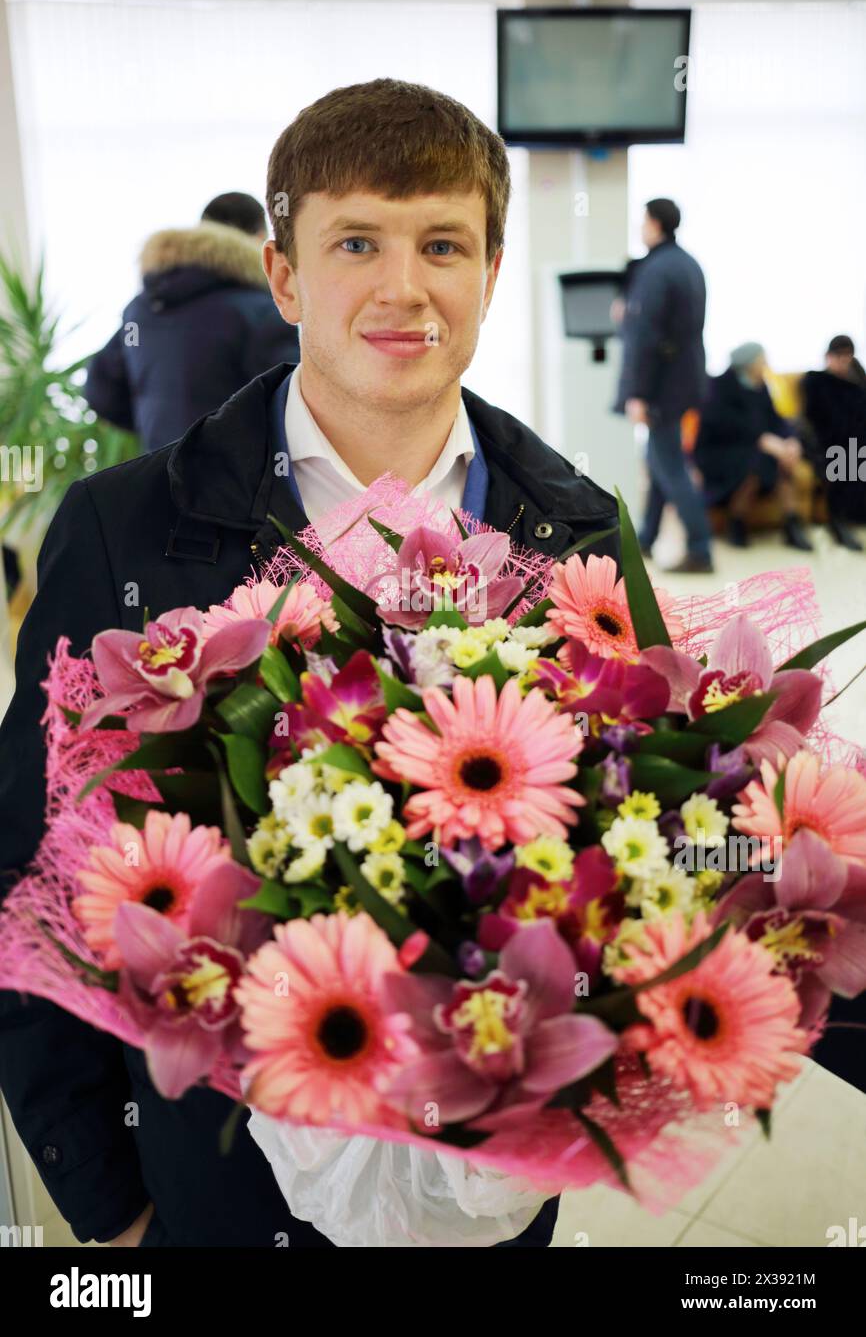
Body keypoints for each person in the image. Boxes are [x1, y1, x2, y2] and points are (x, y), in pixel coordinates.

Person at [0, 78, 621, 1249]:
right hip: (213, 1183)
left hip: (491, 1183)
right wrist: (110, 1203)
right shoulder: (118, 532)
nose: (402, 285)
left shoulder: (576, 531)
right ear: (283, 275)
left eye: (442, 242)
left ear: (488, 273)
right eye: (354, 242)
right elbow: (31, 873)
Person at [84, 192, 301, 452]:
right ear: (259, 240)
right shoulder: (261, 311)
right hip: (237, 484)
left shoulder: (142, 309)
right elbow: (293, 409)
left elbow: (101, 389)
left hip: (161, 476)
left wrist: (155, 425)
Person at [615, 198, 713, 573]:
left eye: (644, 221)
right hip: (686, 380)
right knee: (659, 461)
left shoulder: (655, 271)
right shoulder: (689, 265)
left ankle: (701, 549)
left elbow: (644, 337)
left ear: (654, 224)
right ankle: (646, 540)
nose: (641, 227)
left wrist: (637, 393)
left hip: (661, 386)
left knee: (669, 465)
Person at [694, 342, 813, 550]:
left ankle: (792, 522)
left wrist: (790, 440)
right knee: (757, 462)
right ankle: (736, 521)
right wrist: (761, 439)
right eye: (762, 361)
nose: (766, 365)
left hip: (754, 448)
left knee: (779, 460)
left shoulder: (760, 386)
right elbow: (721, 425)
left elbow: (776, 420)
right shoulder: (719, 385)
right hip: (719, 452)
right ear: (749, 364)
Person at [801, 334, 866, 550]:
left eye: (847, 356)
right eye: (839, 356)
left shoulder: (857, 380)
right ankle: (838, 522)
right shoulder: (816, 381)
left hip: (857, 437)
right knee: (844, 460)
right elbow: (814, 417)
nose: (843, 361)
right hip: (827, 440)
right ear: (828, 356)